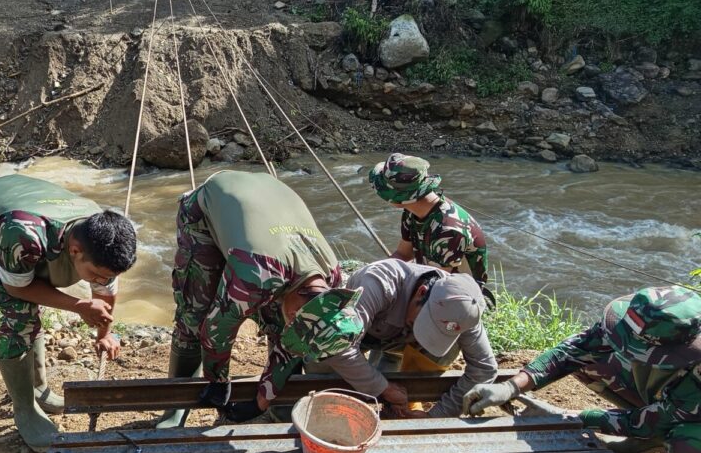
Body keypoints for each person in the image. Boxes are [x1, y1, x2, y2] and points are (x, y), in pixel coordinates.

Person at [463, 286, 701, 453]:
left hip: (690, 419)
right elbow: (576, 349)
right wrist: (511, 386)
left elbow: (653, 420)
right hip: (672, 406)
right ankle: (649, 442)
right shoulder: (643, 322)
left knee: (689, 442)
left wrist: (566, 417)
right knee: (591, 362)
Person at [0, 174, 137, 452]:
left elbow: (106, 284)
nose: (100, 280)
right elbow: (17, 288)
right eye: (95, 274)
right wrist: (79, 305)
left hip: (23, 202)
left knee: (34, 294)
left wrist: (105, 334)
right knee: (20, 312)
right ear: (74, 250)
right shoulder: (24, 234)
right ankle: (25, 411)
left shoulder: (104, 235)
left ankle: (39, 390)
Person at [157, 170, 363, 428]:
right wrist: (218, 381)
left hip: (268, 198)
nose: (290, 324)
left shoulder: (331, 279)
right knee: (194, 316)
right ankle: (176, 409)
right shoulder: (256, 277)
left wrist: (261, 401)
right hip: (207, 210)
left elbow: (290, 344)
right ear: (299, 299)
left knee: (277, 323)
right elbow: (216, 329)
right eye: (293, 320)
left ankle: (280, 406)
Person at [308, 260, 497, 417]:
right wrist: (384, 388)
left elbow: (484, 369)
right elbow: (335, 346)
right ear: (422, 292)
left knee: (451, 348)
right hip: (362, 330)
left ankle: (402, 404)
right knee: (319, 367)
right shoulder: (378, 283)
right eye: (426, 324)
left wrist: (435, 416)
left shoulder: (463, 311)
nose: (427, 335)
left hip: (402, 341)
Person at [369, 153, 489, 289]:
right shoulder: (411, 211)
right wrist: (374, 272)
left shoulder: (448, 230)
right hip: (431, 282)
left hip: (458, 295)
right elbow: (403, 254)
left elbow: (437, 286)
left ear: (399, 199)